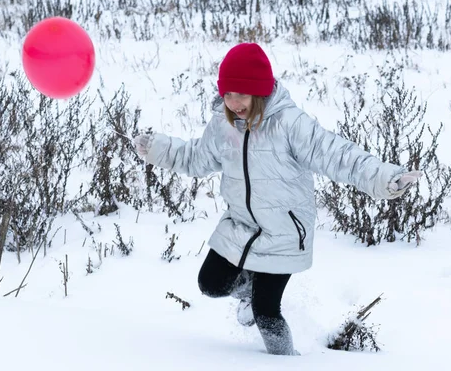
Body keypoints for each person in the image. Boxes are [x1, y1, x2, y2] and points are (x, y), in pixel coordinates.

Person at [133, 43, 422, 356]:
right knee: (211, 284)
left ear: (259, 92)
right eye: (228, 94)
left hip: (283, 232)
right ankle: (248, 292)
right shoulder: (223, 124)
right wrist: (157, 149)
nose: (234, 102)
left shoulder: (289, 124)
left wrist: (385, 178)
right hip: (241, 227)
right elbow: (195, 158)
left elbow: (338, 155)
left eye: (241, 94)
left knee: (265, 312)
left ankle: (286, 361)